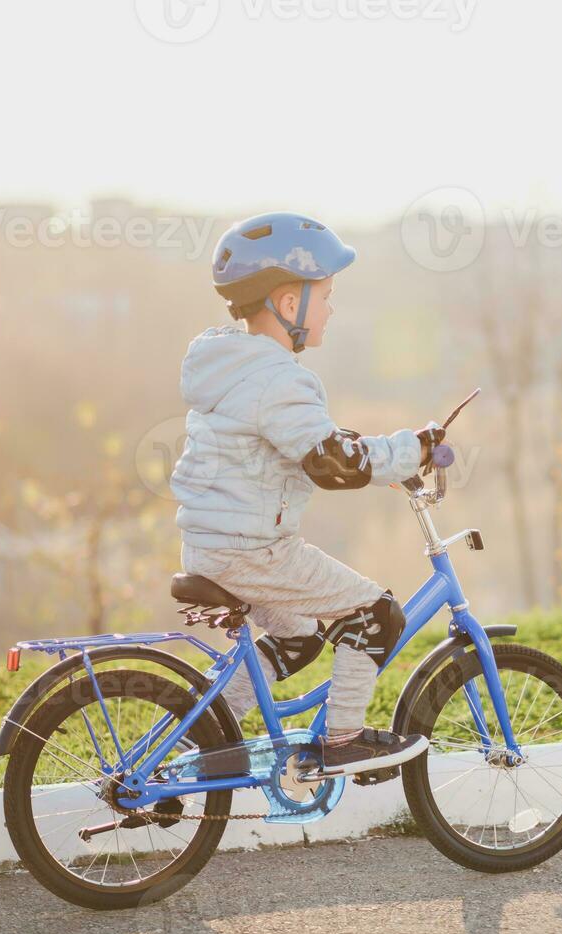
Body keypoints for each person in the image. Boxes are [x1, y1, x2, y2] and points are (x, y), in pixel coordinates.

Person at [170, 212, 437, 776]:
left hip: (214, 545)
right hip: (254, 552)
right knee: (376, 615)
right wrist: (411, 452)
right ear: (290, 306)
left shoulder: (229, 364)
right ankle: (343, 744)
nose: (333, 308)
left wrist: (390, 455)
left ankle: (201, 738)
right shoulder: (277, 379)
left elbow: (324, 446)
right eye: (327, 295)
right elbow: (334, 465)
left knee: (298, 638)